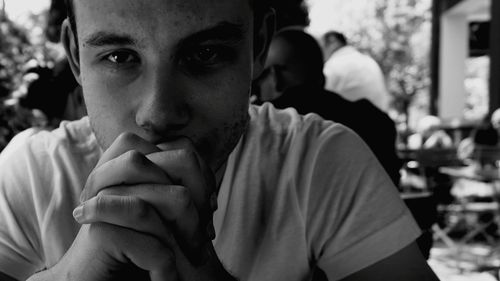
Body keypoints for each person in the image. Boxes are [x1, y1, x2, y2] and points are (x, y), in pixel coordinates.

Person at [0, 0, 440, 280]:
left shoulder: (319, 161)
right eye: (119, 57)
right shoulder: (31, 175)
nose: (159, 113)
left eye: (205, 54)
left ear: (257, 47)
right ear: (76, 56)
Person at [254, 27, 402, 186]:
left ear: (274, 76)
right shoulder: (375, 121)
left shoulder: (262, 124)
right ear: (322, 76)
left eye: (260, 77)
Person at [322, 31, 390, 112]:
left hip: (351, 122)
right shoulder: (369, 61)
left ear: (332, 41)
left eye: (321, 46)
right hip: (380, 119)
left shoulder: (333, 65)